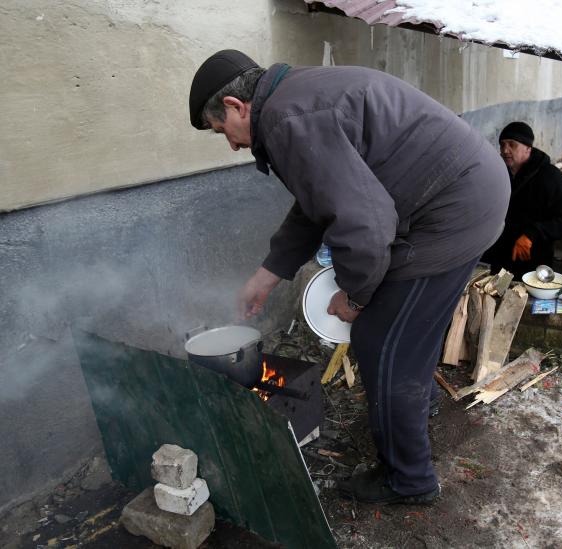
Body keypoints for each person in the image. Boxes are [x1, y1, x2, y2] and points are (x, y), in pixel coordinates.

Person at [189, 50, 509, 505]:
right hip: (467, 192)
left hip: (450, 210)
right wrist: (268, 274)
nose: (233, 145)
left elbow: (366, 224)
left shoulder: (287, 119)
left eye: (224, 131)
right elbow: (319, 201)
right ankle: (415, 405)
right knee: (409, 325)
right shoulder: (293, 100)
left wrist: (356, 297)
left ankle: (408, 479)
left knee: (380, 339)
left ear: (238, 107)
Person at [481, 122, 562, 279]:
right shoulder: (499, 173)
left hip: (532, 263)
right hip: (498, 259)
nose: (505, 150)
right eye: (502, 144)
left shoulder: (550, 176)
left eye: (512, 145)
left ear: (528, 148)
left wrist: (532, 234)